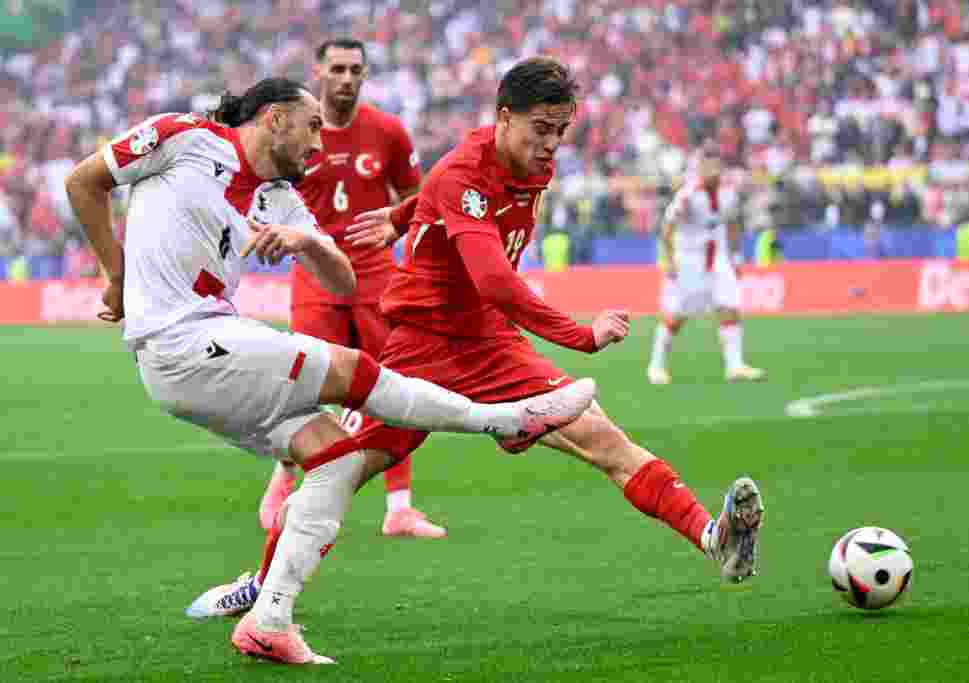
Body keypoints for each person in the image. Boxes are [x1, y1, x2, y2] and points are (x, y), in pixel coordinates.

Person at [189, 59, 765, 666]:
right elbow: (494, 280)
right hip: (423, 348)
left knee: (604, 439)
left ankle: (715, 538)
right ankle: (266, 597)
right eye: (541, 128)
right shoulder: (471, 171)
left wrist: (401, 216)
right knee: (338, 469)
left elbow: (437, 195)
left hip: (493, 346)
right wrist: (582, 337)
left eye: (561, 130)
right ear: (503, 118)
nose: (551, 144)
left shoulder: (518, 162)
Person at [64, 77, 597, 665]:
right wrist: (115, 275)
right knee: (350, 369)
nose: (321, 143)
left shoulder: (282, 200)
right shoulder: (184, 137)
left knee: (337, 457)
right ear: (274, 119)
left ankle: (268, 622)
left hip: (205, 350)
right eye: (313, 125)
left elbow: (342, 278)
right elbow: (84, 180)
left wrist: (305, 243)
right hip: (177, 339)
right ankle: (501, 420)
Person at [259, 39, 445, 540]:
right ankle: (283, 476)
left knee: (394, 382)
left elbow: (416, 198)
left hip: (376, 277)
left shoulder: (387, 131)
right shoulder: (297, 132)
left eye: (355, 70)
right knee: (304, 381)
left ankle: (400, 508)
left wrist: (397, 227)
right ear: (318, 71)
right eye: (337, 68)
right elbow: (266, 190)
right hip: (315, 276)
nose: (346, 78)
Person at [646, 144, 766, 385]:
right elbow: (667, 228)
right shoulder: (688, 195)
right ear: (699, 168)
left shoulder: (728, 192)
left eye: (715, 166)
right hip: (690, 260)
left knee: (730, 306)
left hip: (719, 257)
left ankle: (735, 366)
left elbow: (732, 223)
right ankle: (656, 366)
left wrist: (735, 256)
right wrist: (669, 260)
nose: (712, 171)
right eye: (706, 166)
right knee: (678, 315)